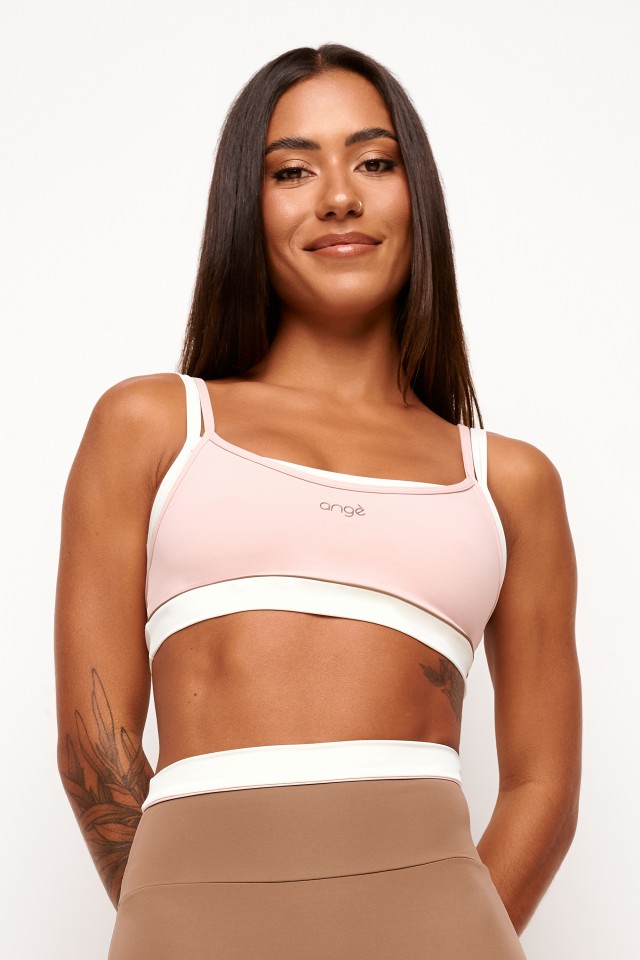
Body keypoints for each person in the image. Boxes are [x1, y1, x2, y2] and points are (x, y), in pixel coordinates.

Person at [54, 43, 581, 959]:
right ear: (245, 207)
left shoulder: (508, 483)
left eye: (374, 162)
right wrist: (168, 909)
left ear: (417, 196)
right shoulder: (155, 426)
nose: (339, 196)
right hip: (191, 924)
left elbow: (544, 784)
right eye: (292, 171)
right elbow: (94, 740)